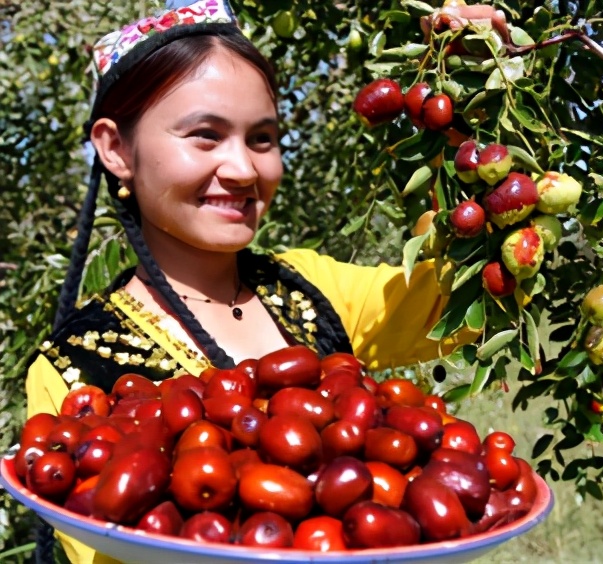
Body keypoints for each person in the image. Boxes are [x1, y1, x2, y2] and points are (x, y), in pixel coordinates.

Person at [24, 1, 472, 562]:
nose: (242, 169)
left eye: (262, 139)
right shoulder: (72, 369)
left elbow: (472, 292)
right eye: (206, 137)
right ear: (116, 149)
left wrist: (466, 101)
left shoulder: (311, 288)